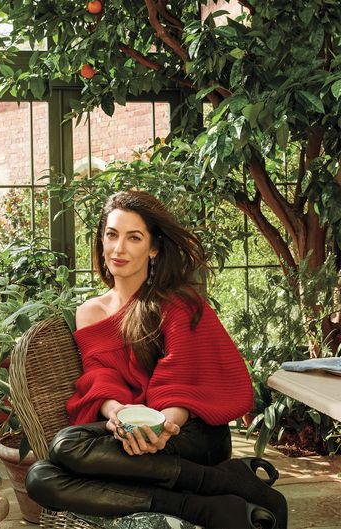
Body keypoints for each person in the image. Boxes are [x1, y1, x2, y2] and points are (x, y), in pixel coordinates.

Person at [25, 190, 287, 529]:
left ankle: (221, 482)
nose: (118, 249)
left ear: (153, 248)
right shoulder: (89, 312)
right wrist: (115, 413)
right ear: (100, 241)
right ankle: (206, 500)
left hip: (190, 434)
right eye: (111, 235)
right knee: (41, 475)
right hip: (134, 430)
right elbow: (99, 376)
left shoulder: (179, 303)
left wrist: (162, 428)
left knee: (66, 444)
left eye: (134, 238)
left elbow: (181, 381)